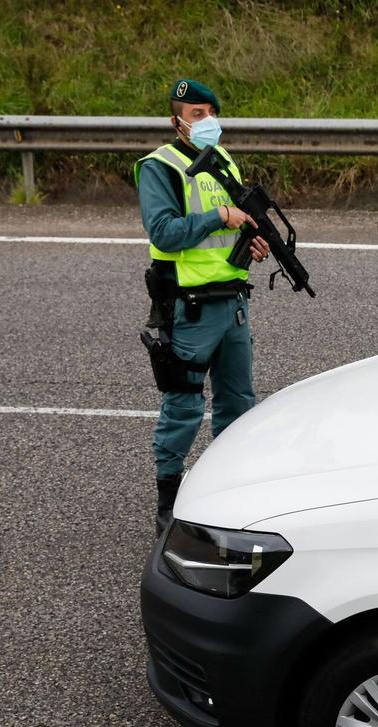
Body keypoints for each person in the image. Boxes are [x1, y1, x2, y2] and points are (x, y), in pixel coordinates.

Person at [134, 79, 270, 534]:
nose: (207, 121)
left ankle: (227, 495)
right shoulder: (161, 167)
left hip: (232, 302)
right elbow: (163, 232)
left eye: (211, 112)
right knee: (184, 406)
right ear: (177, 121)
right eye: (197, 114)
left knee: (238, 404)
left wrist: (249, 242)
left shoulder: (223, 159)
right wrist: (219, 217)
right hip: (188, 307)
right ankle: (168, 501)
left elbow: (234, 226)